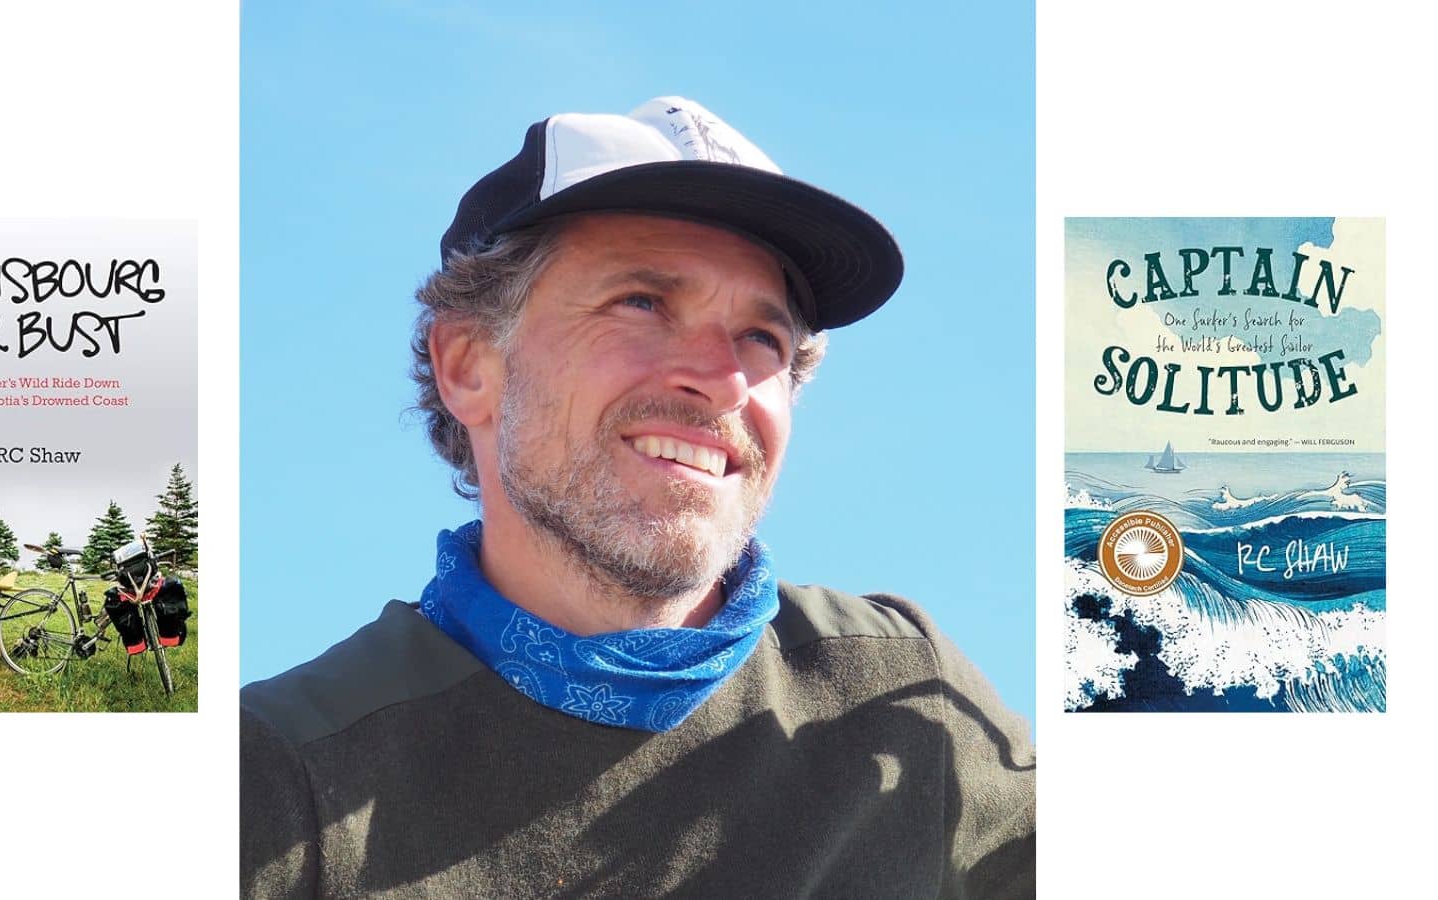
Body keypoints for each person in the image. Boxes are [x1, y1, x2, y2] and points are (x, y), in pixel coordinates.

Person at [241, 96, 1035, 899]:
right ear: (468, 366)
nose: (722, 380)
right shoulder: (278, 777)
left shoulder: (907, 694)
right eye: (643, 303)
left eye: (763, 338)